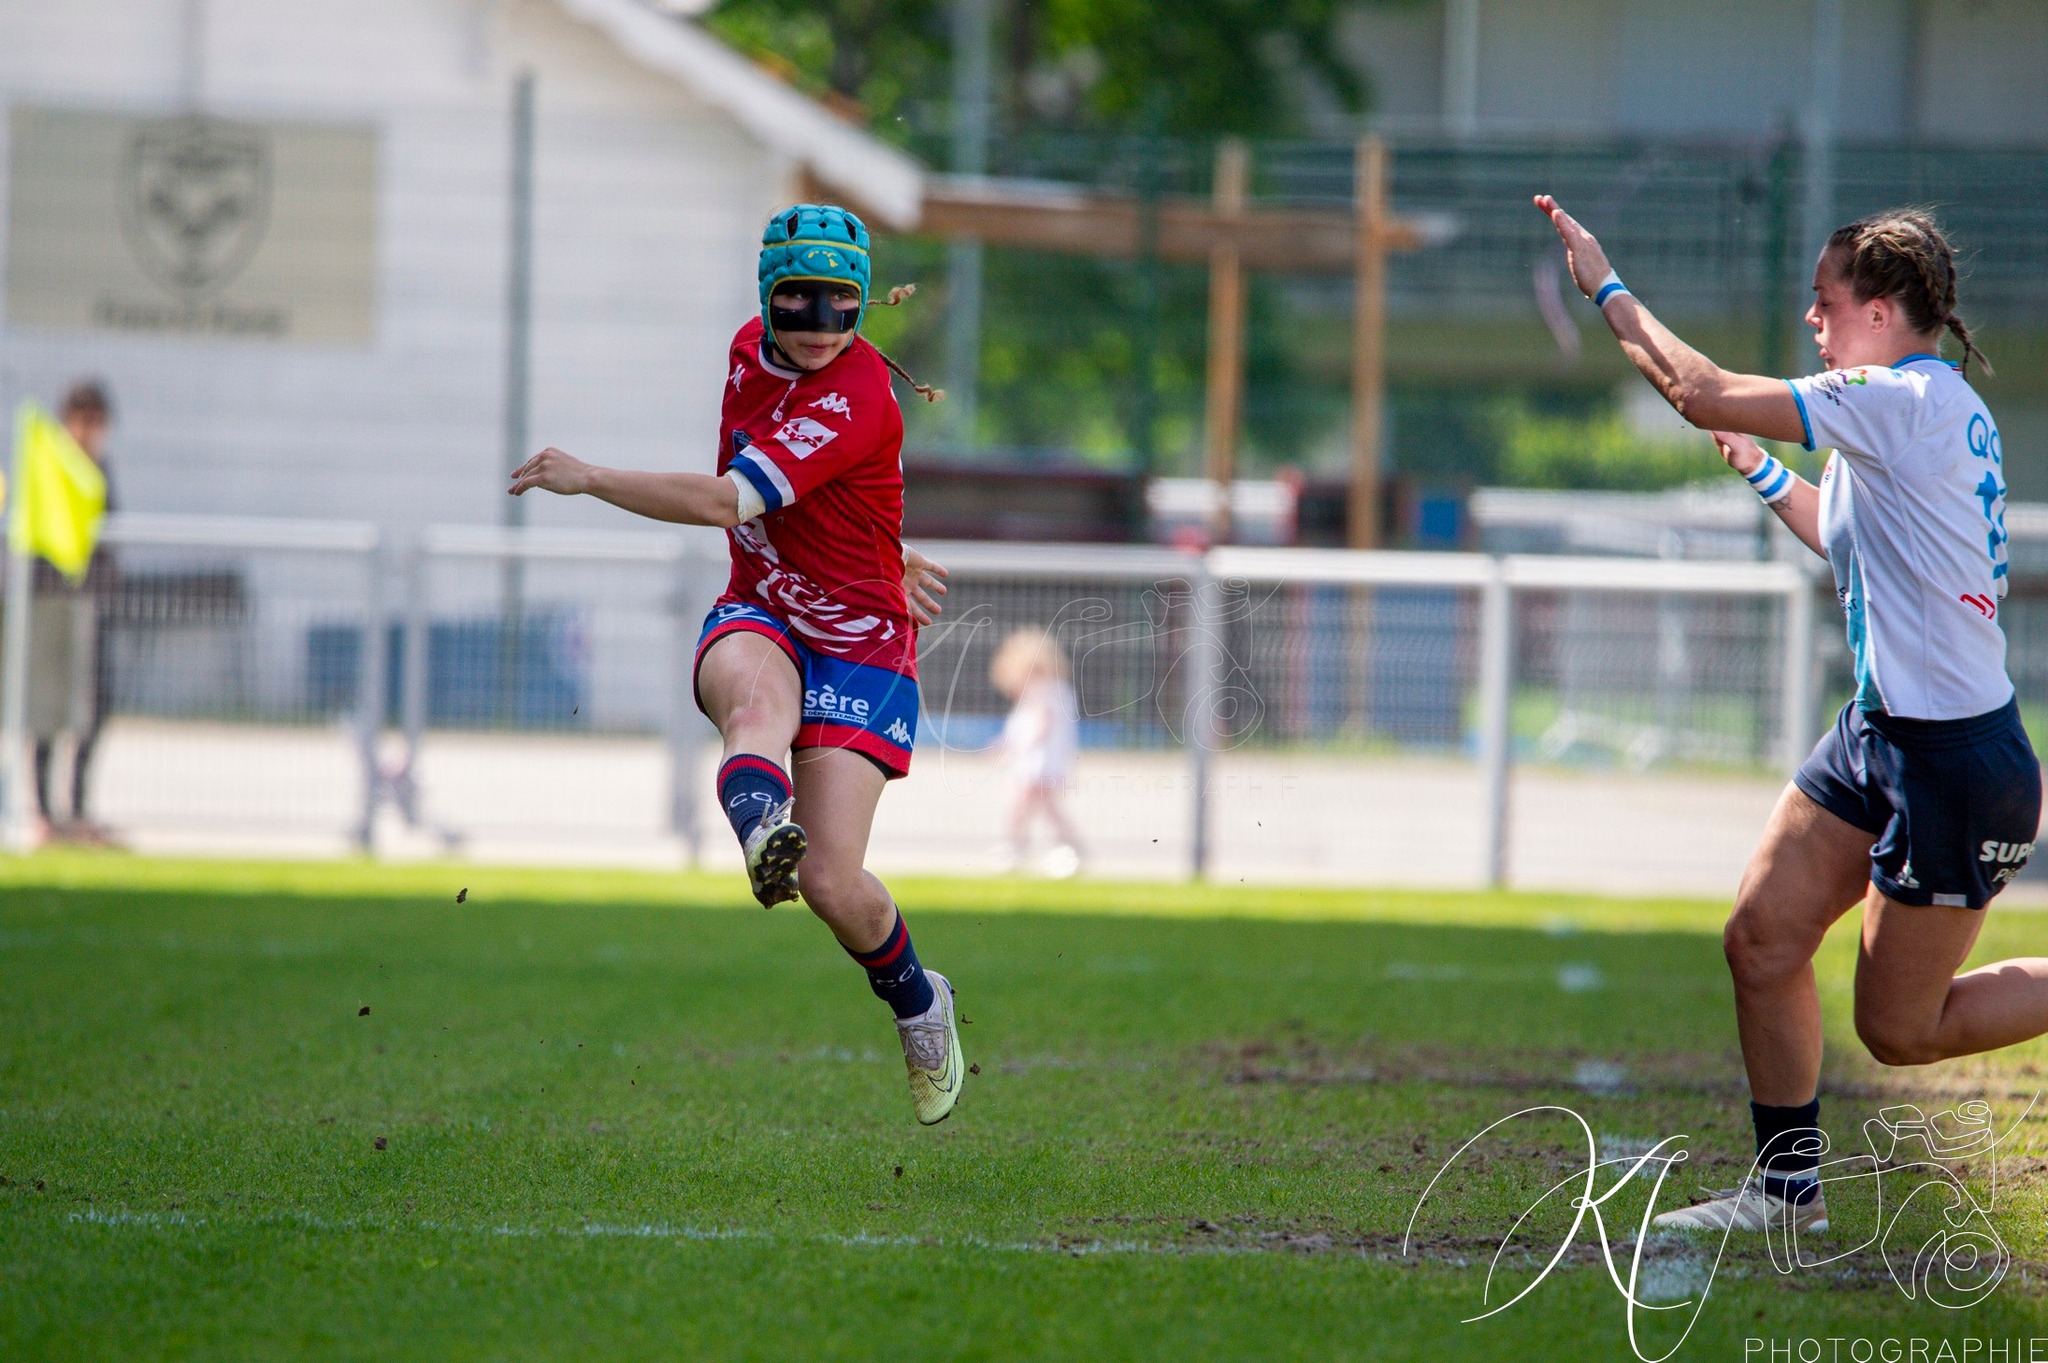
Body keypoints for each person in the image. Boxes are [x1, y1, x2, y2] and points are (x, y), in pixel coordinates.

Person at [1536, 196, 2041, 1234]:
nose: (1810, 321)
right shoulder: (1913, 407)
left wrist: (1605, 286)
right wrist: (1763, 469)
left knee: (1899, 1032)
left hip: (1951, 760)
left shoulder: (1899, 400)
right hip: (1878, 735)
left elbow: (1697, 389)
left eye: (1824, 302)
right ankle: (1784, 1192)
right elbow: (1852, 544)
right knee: (1761, 938)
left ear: (1882, 309)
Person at [510, 204, 968, 1125]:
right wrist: (885, 539)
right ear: (766, 300)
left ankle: (921, 1002)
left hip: (863, 639)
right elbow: (805, 496)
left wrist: (591, 477)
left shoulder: (862, 394)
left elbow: (728, 498)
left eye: (838, 306)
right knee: (755, 708)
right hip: (762, 605)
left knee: (836, 885)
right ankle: (763, 827)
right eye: (794, 302)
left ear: (863, 306)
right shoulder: (743, 351)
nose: (814, 326)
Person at [34, 380, 119, 844]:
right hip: (51, 602)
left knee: (95, 709)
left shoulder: (100, 469)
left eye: (97, 422)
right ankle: (46, 814)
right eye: (83, 420)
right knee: (46, 710)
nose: (90, 432)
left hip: (92, 605)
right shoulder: (53, 465)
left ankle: (78, 808)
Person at [990, 627, 1082, 877]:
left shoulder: (1047, 693)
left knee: (1021, 807)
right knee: (1043, 809)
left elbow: (1041, 725)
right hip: (1038, 766)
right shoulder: (1038, 695)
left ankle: (1015, 847)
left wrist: (1017, 749)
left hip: (1040, 766)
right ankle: (1065, 847)